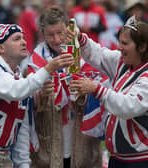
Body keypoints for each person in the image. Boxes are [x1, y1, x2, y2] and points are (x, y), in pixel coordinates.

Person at [0, 23, 74, 168]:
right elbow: (16, 91)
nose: (24, 42)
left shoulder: (17, 76)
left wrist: (23, 163)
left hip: (4, 155)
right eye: (17, 39)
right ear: (1, 48)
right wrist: (48, 68)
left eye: (23, 38)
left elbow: (21, 129)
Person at [28, 6, 103, 168]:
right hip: (49, 142)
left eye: (60, 32)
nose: (56, 39)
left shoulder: (87, 53)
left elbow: (101, 94)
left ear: (68, 28)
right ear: (43, 34)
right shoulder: (36, 60)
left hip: (83, 141)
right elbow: (27, 100)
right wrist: (40, 95)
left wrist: (84, 91)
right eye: (50, 34)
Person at [69, 15, 148, 168]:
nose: (119, 47)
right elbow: (99, 54)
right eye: (120, 42)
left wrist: (96, 89)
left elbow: (127, 106)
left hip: (139, 161)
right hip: (118, 159)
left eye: (125, 43)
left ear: (142, 47)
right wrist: (79, 38)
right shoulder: (124, 62)